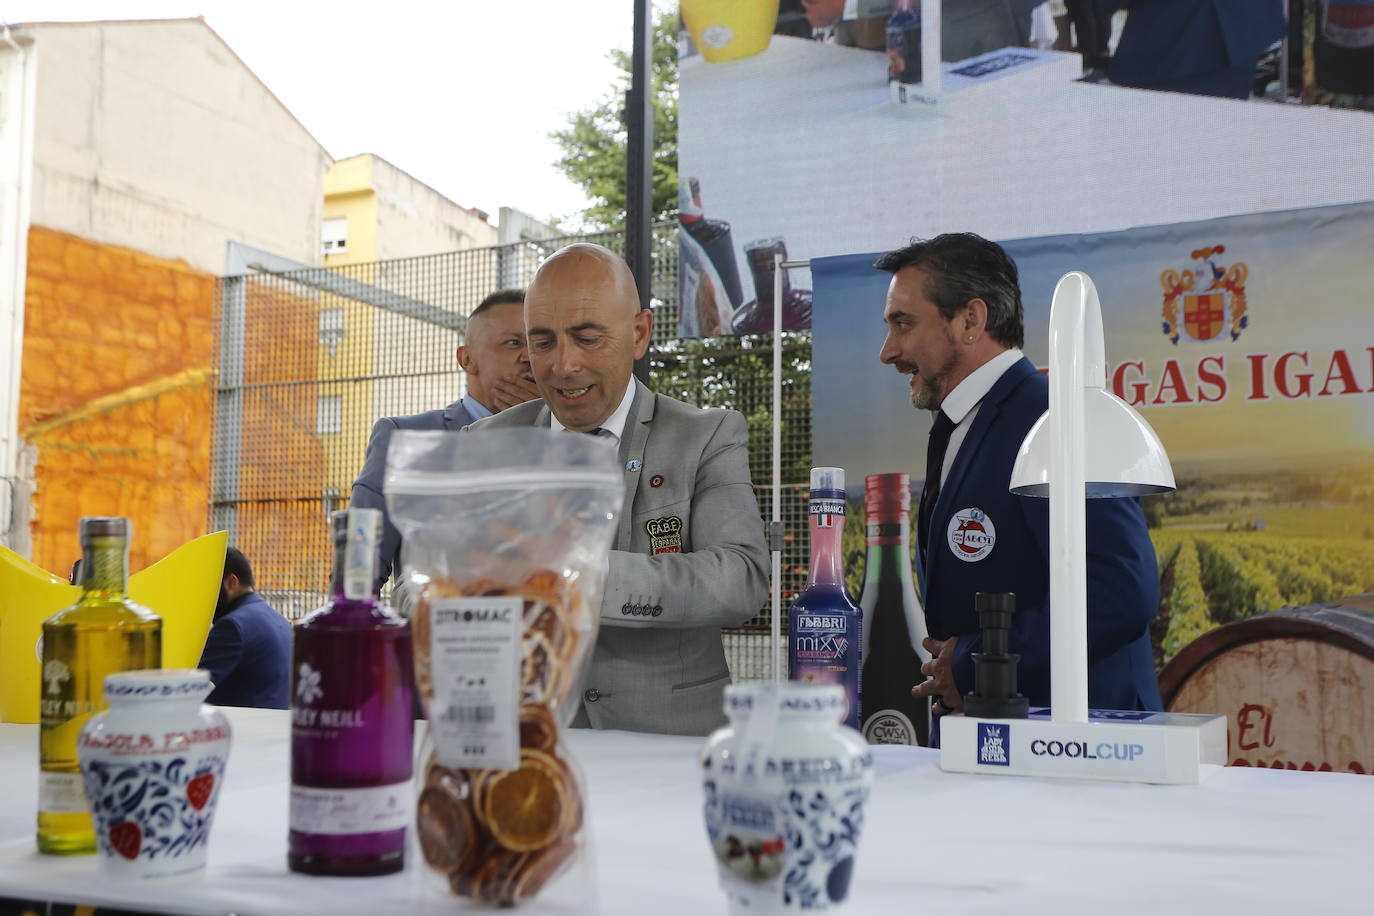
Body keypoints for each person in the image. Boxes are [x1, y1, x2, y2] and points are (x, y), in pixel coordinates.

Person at [466, 243, 770, 737]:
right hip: (523, 744)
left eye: (587, 338)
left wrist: (574, 577)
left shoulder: (705, 436)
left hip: (667, 747)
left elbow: (740, 579)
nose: (563, 365)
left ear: (639, 333)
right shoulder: (486, 445)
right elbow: (421, 593)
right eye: (542, 343)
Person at [874, 232, 1162, 730]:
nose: (888, 351)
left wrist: (969, 664)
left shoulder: (1052, 416)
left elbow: (1121, 591)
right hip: (1004, 746)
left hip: (1081, 750)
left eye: (903, 323)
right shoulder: (967, 423)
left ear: (970, 320)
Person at [350, 288, 539, 591]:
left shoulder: (566, 440)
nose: (528, 357)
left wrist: (544, 431)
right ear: (467, 359)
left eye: (539, 344)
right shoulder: (405, 440)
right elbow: (356, 572)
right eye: (513, 342)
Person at [199, 547, 291, 709]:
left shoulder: (232, 626)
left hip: (240, 729)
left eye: (208, 588)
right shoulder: (280, 621)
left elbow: (195, 688)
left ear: (231, 582)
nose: (202, 598)